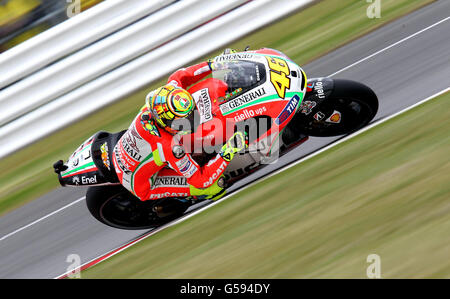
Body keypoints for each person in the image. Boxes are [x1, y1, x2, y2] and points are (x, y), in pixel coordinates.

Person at [111, 58, 247, 203]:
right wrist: (230, 149)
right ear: (167, 122)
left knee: (192, 141)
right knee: (213, 187)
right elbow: (201, 180)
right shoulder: (169, 146)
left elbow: (180, 76)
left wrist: (213, 64)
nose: (191, 120)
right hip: (141, 184)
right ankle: (198, 197)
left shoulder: (163, 99)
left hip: (127, 151)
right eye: (183, 120)